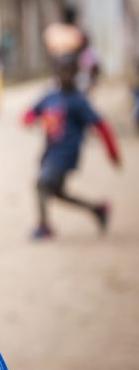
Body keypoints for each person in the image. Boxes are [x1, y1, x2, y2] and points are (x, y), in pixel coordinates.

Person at [23, 53, 121, 240]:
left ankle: (44, 226)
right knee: (56, 192)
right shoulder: (50, 96)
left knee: (42, 184)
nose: (65, 75)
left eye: (69, 71)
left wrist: (112, 153)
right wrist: (34, 119)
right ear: (55, 73)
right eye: (61, 71)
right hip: (50, 152)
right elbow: (29, 114)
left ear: (76, 73)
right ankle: (97, 209)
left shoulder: (78, 101)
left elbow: (101, 126)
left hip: (66, 153)